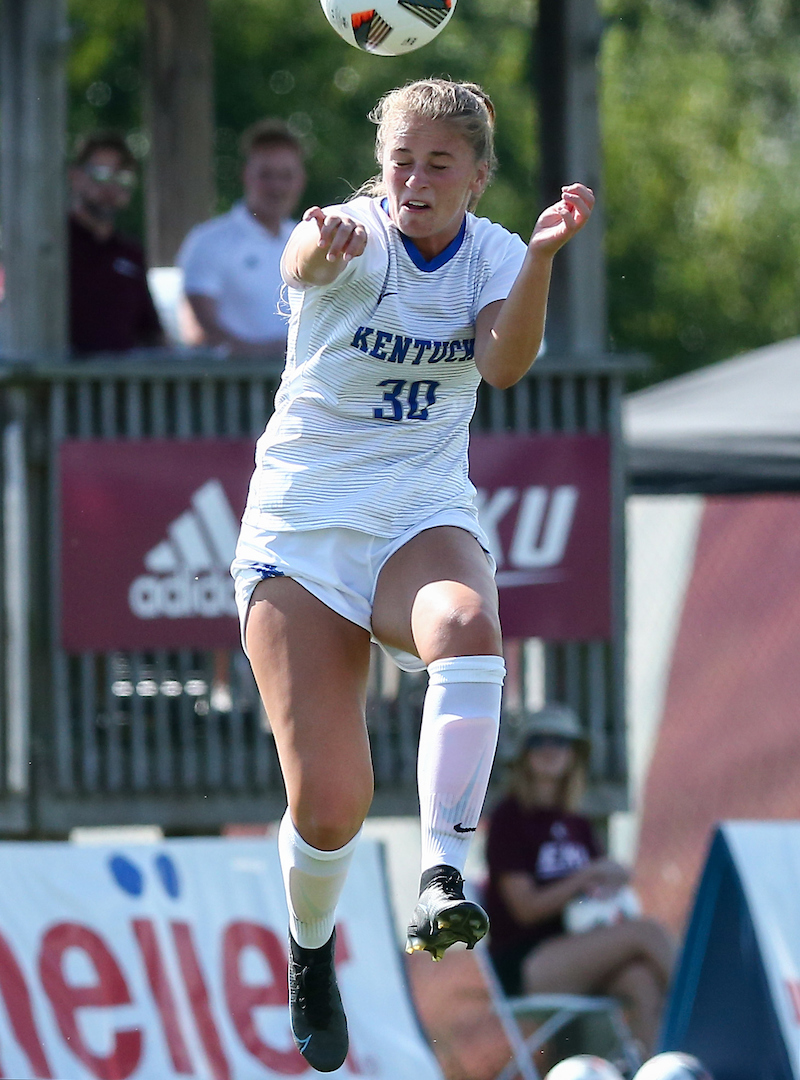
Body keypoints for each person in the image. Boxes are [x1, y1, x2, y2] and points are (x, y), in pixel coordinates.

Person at [231, 78, 594, 1073]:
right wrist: (317, 246)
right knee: (330, 806)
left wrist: (542, 260)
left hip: (417, 512)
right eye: (401, 161)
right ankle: (311, 952)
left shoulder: (497, 253)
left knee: (468, 625)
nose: (416, 180)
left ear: (478, 177)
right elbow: (302, 259)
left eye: (440, 164)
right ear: (379, 167)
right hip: (302, 529)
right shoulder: (349, 235)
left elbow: (503, 364)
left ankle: (442, 875)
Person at [485, 704, 675, 1056]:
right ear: (523, 754)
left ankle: (655, 1069)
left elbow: (594, 892)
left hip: (581, 947)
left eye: (561, 741)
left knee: (642, 980)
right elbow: (526, 909)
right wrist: (585, 875)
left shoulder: (579, 824)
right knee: (646, 933)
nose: (550, 749)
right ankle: (713, 1010)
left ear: (573, 754)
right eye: (539, 741)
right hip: (528, 962)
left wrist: (610, 880)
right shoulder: (508, 819)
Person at [177, 119, 306, 355]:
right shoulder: (208, 241)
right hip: (233, 378)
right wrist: (265, 355)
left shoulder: (308, 241)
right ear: (246, 175)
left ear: (301, 180)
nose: (277, 187)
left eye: (286, 176)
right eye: (266, 175)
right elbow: (196, 330)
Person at [69, 132, 164, 355]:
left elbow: (151, 332)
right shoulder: (53, 248)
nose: (111, 188)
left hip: (122, 375)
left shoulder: (130, 252)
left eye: (123, 178)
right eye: (101, 175)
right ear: (75, 177)